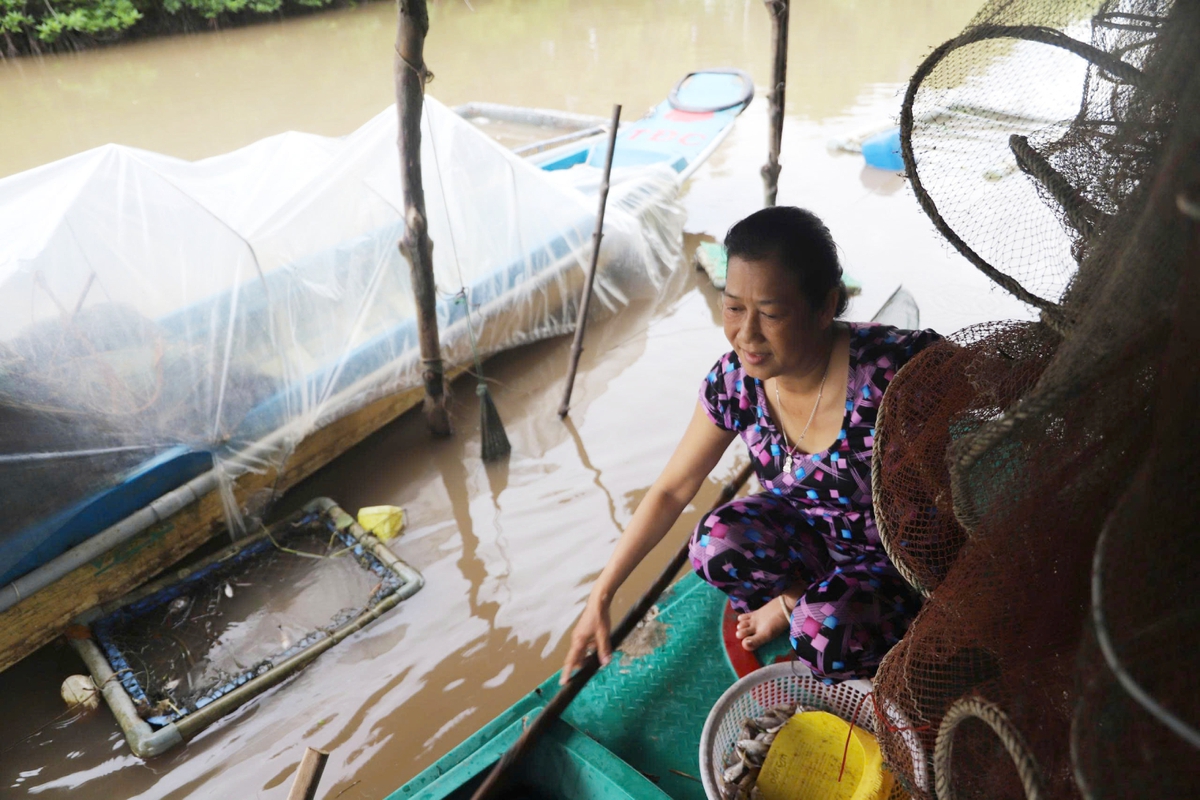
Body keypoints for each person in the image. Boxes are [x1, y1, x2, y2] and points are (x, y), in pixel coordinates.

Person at [561, 206, 941, 684]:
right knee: (713, 544)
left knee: (821, 637)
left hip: (894, 562)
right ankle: (796, 597)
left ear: (825, 306)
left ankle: (816, 611)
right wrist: (602, 595)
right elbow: (672, 490)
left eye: (772, 313)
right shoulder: (735, 381)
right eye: (734, 307)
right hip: (813, 542)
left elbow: (990, 413)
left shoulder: (898, 373)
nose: (747, 334)